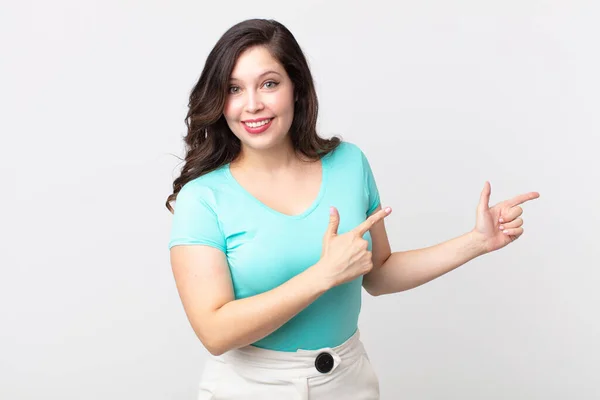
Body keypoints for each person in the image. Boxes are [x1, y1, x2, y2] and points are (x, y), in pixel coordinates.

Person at [165, 18, 539, 400]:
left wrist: (476, 242)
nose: (253, 104)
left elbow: (379, 273)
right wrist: (322, 275)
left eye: (269, 83)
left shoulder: (348, 163)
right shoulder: (203, 197)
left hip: (348, 380)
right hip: (252, 387)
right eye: (234, 88)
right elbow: (214, 332)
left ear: (296, 88)